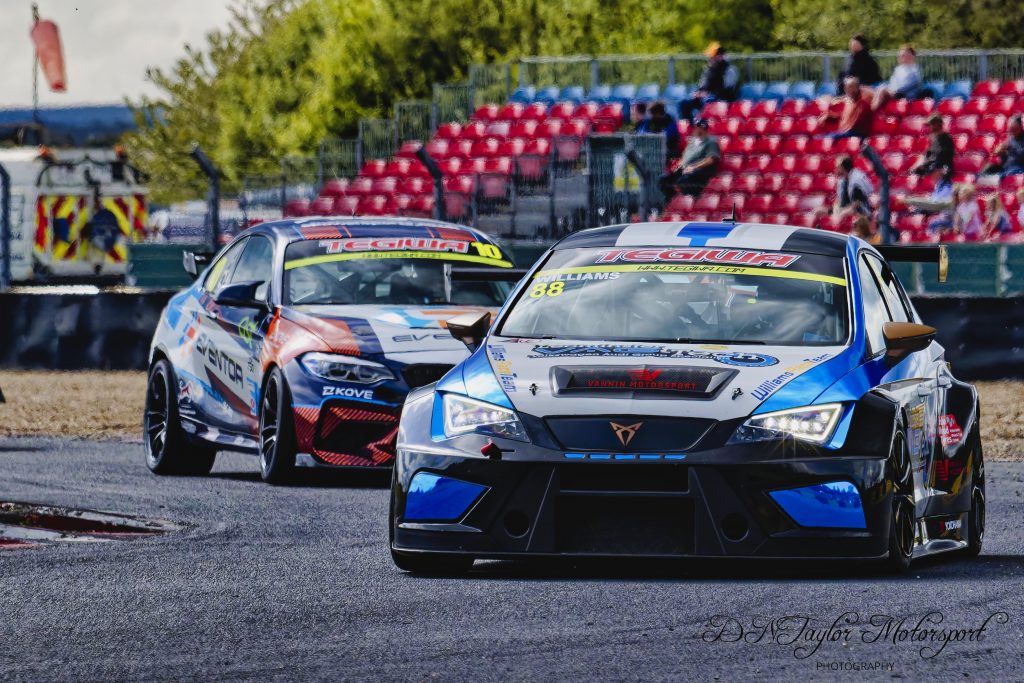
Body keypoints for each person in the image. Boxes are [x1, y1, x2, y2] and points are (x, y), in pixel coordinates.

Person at [659, 118, 720, 198]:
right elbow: (685, 157)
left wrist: (694, 167)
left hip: (702, 171)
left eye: (701, 127)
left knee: (684, 181)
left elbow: (711, 159)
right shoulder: (692, 142)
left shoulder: (711, 142)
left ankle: (691, 203)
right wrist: (678, 166)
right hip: (687, 169)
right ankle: (671, 202)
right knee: (664, 180)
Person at [679, 42, 739, 120]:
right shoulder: (709, 69)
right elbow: (703, 85)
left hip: (722, 98)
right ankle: (690, 126)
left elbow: (728, 89)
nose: (710, 59)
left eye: (712, 56)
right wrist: (698, 92)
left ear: (720, 55)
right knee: (685, 102)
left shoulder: (730, 69)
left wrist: (708, 93)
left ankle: (706, 126)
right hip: (706, 96)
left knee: (708, 101)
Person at [814, 155, 874, 223]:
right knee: (817, 211)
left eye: (837, 167)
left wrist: (839, 214)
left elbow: (856, 205)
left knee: (842, 215)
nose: (835, 169)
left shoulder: (857, 181)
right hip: (844, 209)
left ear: (842, 168)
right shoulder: (842, 180)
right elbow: (839, 200)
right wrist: (835, 210)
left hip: (860, 213)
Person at [871, 45, 923, 110]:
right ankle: (872, 109)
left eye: (902, 55)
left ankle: (872, 110)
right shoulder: (898, 69)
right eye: (899, 56)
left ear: (910, 56)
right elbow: (892, 83)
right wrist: (889, 89)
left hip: (905, 95)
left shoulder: (914, 69)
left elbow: (910, 85)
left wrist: (894, 91)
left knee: (882, 90)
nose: (899, 57)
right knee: (873, 89)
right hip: (895, 92)